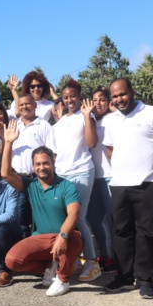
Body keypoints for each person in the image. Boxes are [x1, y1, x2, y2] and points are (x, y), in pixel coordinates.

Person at [102, 77, 153, 299]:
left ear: (132, 91)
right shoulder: (110, 120)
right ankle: (125, 277)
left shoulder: (151, 113)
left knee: (146, 233)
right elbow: (110, 148)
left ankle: (146, 280)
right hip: (119, 185)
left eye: (122, 94)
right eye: (115, 96)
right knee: (121, 233)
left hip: (148, 184)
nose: (119, 99)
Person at [2, 120, 83, 297]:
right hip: (40, 239)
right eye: (37, 164)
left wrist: (62, 236)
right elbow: (6, 174)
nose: (42, 167)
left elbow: (74, 213)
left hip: (64, 238)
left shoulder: (66, 186)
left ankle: (63, 279)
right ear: (33, 166)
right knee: (12, 261)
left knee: (75, 237)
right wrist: (8, 143)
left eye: (45, 163)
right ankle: (49, 267)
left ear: (53, 161)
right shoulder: (30, 185)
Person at [53, 78, 101, 282]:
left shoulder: (86, 116)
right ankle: (73, 259)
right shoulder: (59, 123)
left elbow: (91, 142)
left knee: (79, 217)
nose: (69, 100)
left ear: (79, 96)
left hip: (81, 171)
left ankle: (92, 262)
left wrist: (87, 115)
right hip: (62, 173)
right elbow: (56, 153)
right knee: (65, 220)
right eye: (65, 97)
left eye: (73, 96)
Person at [87, 86, 117, 273]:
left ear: (109, 102)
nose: (98, 103)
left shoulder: (113, 120)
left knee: (114, 221)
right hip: (92, 178)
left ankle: (118, 258)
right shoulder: (88, 121)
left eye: (102, 99)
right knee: (94, 220)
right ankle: (105, 255)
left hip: (110, 177)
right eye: (95, 99)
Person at [10, 94, 57, 177]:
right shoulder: (14, 126)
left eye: (27, 103)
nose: (24, 107)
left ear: (35, 105)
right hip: (16, 177)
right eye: (21, 105)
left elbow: (52, 153)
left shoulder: (44, 126)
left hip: (38, 177)